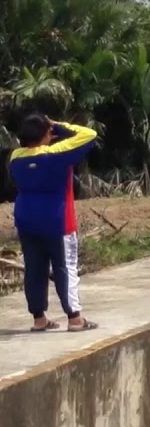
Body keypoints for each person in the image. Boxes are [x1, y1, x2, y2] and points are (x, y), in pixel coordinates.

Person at [9, 114, 99, 333]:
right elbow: (89, 134)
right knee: (65, 267)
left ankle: (39, 318)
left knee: (34, 268)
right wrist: (59, 126)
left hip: (27, 219)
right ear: (45, 134)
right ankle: (75, 317)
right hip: (57, 220)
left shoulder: (15, 157)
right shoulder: (56, 155)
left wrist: (47, 131)